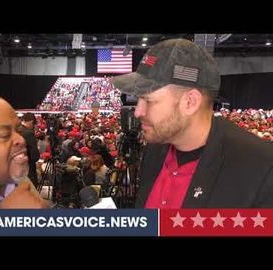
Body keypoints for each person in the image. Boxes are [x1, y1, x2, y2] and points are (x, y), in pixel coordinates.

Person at [112, 38, 273, 208]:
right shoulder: (155, 149)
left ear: (190, 102)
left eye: (148, 100)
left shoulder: (260, 169)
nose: (138, 112)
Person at [19, 112, 40, 187]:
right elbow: (35, 156)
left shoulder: (16, 130)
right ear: (31, 122)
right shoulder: (28, 133)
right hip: (28, 170)